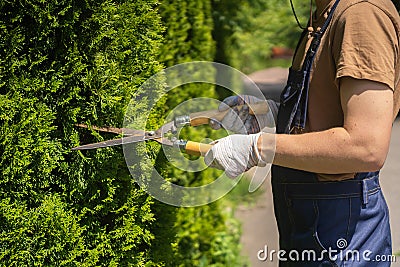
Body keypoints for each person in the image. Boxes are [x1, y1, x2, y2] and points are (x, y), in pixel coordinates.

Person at [205, 0, 400, 265]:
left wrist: (257, 147)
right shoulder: (323, 13)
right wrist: (268, 113)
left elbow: (365, 147)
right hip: (311, 226)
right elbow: (325, 111)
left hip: (342, 238)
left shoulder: (360, 15)